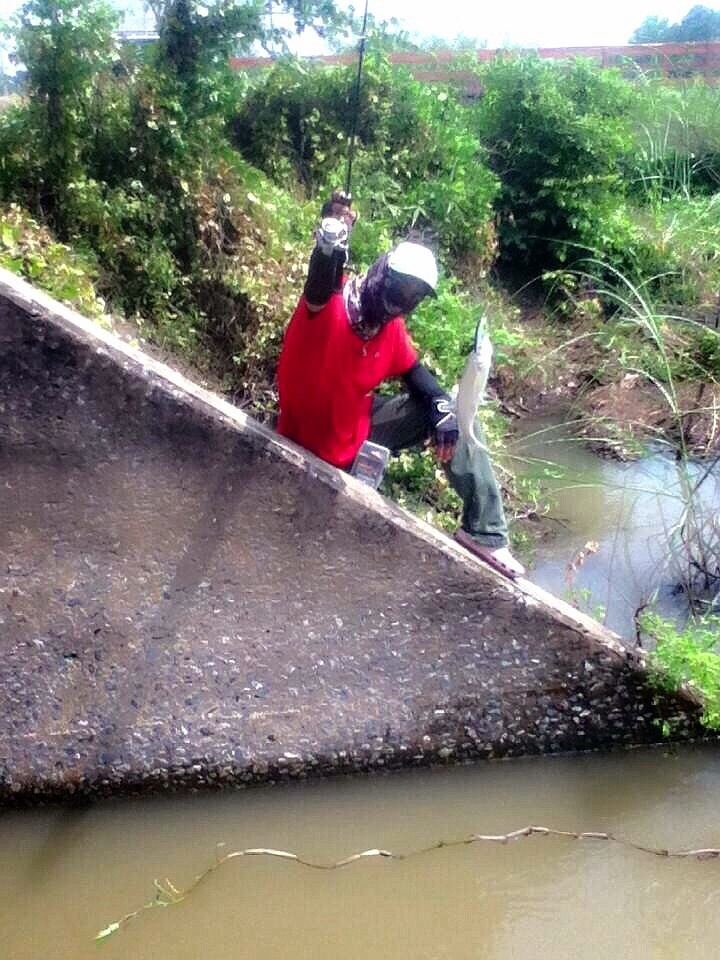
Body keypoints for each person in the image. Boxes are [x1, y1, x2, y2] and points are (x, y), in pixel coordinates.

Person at [276, 192, 525, 578]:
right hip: (309, 444)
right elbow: (322, 274)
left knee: (451, 410)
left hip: (354, 438)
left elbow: (416, 375)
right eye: (399, 289)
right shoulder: (329, 303)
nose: (400, 303)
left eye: (413, 298)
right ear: (382, 275)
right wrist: (332, 237)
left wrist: (442, 408)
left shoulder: (390, 330)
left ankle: (485, 533)